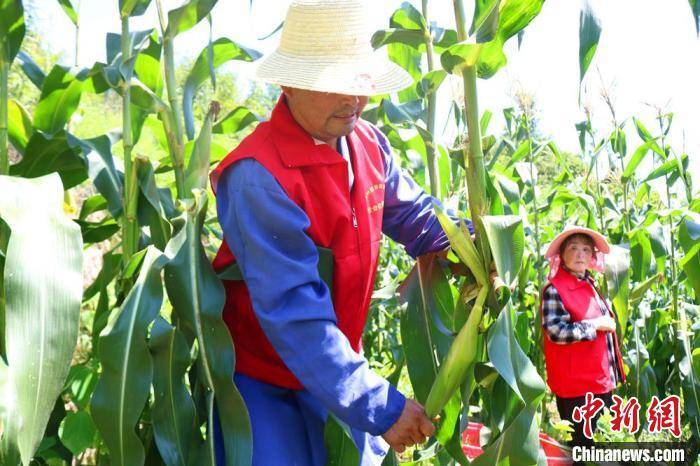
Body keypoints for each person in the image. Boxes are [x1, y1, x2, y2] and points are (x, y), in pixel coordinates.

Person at [209, 1, 473, 464]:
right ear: (289, 83)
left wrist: (476, 246)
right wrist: (381, 407)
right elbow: (296, 316)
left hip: (337, 370)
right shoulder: (257, 177)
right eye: (336, 84)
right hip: (263, 382)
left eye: (360, 83)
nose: (353, 99)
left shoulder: (368, 145)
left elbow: (417, 219)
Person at [540, 225, 626, 455]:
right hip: (577, 387)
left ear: (592, 256)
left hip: (596, 382)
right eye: (574, 248)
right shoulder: (555, 289)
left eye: (586, 250)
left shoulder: (588, 283)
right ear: (562, 255)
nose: (580, 254)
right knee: (586, 448)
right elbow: (556, 331)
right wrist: (596, 325)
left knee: (599, 445)